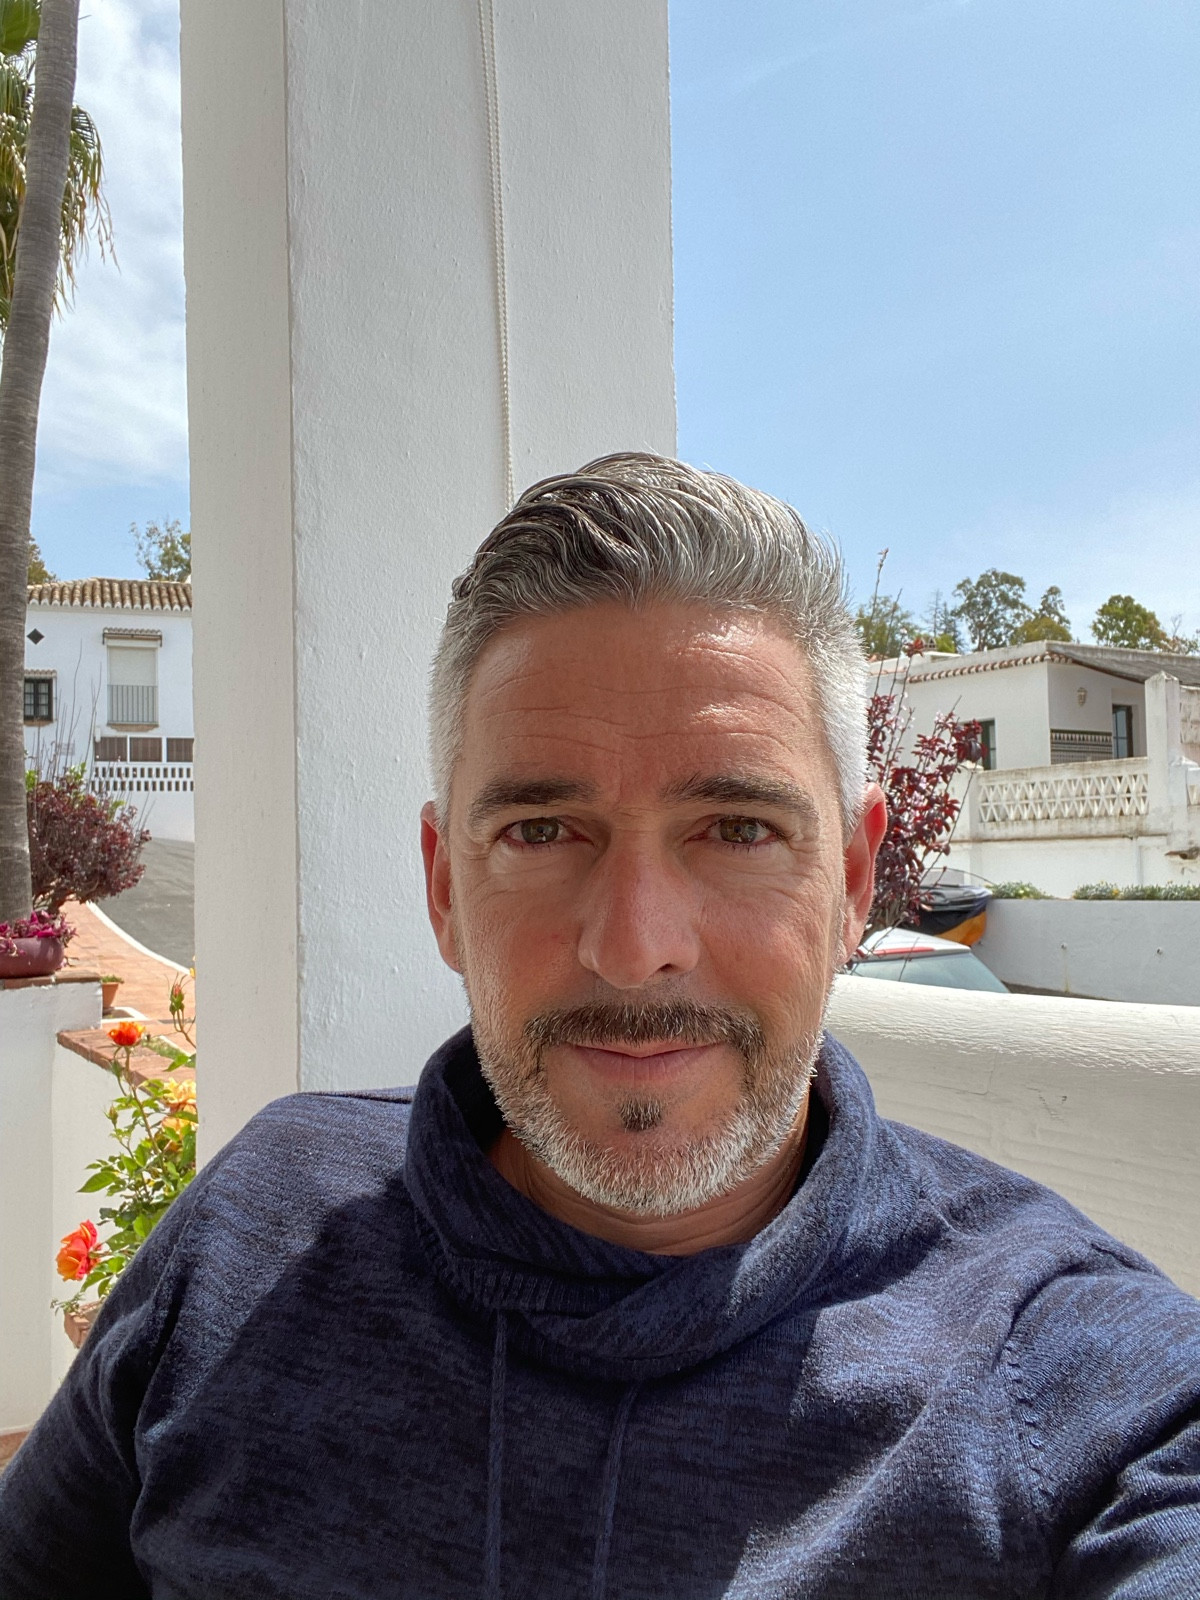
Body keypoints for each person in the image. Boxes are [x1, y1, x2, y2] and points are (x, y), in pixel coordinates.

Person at [2, 454, 1198, 1598]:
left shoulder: (1071, 1378)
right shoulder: (257, 1227)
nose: (634, 946)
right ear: (444, 888)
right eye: (541, 831)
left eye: (737, 829)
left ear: (849, 881)